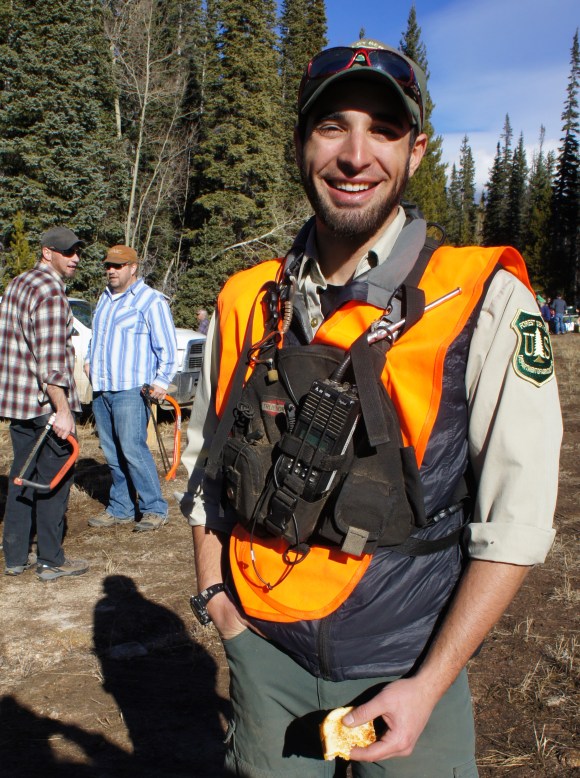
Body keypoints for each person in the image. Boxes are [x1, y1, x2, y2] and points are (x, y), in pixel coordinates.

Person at [179, 39, 562, 776]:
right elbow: (204, 475)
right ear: (299, 143)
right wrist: (218, 611)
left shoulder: (479, 298)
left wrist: (428, 683)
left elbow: (515, 520)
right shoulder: (244, 301)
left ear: (416, 152)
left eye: (384, 130)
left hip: (411, 667)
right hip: (265, 659)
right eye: (332, 126)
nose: (357, 155)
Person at [0, 227, 89, 581]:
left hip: (18, 403)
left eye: (77, 252)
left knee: (21, 477)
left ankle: (14, 556)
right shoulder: (51, 292)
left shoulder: (17, 284)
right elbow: (52, 363)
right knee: (54, 481)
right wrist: (63, 410)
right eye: (67, 252)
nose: (75, 259)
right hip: (44, 406)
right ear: (47, 252)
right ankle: (51, 560)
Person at [86, 245, 178, 532]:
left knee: (132, 449)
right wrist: (89, 362)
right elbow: (96, 339)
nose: (111, 271)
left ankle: (154, 508)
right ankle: (122, 507)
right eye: (108, 266)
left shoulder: (150, 301)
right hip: (102, 388)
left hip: (130, 388)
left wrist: (161, 381)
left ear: (133, 268)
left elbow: (168, 347)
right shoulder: (104, 299)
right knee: (112, 453)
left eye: (118, 266)